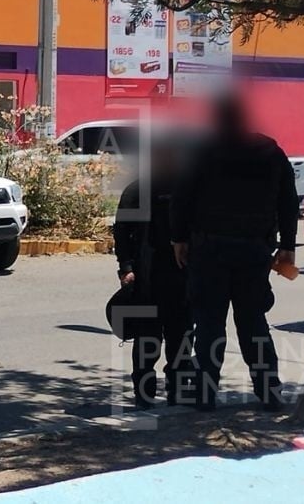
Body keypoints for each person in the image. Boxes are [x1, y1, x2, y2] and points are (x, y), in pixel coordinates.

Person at [170, 95, 299, 411]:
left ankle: (205, 394)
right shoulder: (270, 152)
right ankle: (269, 390)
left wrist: (178, 240)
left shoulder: (203, 151)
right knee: (253, 321)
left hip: (209, 250)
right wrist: (288, 246)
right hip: (254, 250)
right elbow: (288, 201)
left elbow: (181, 199)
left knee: (209, 323)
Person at [113, 137, 196, 408]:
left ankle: (177, 390)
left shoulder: (187, 191)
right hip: (147, 279)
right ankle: (144, 393)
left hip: (182, 278)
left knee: (181, 338)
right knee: (148, 340)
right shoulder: (137, 191)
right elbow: (122, 233)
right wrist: (126, 268)